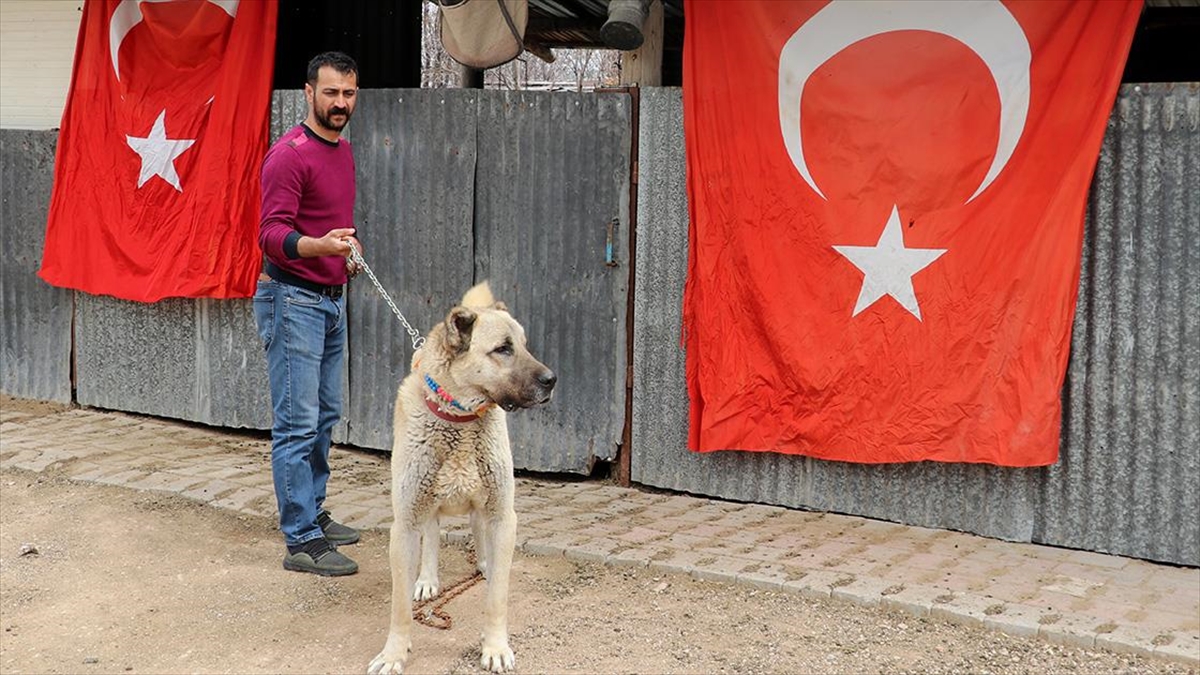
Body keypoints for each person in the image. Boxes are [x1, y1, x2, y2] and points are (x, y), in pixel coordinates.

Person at [253, 51, 365, 576]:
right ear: (308, 92)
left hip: (331, 300)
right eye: (331, 92)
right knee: (296, 425)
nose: (340, 102)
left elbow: (331, 222)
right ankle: (300, 539)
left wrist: (346, 251)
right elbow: (270, 235)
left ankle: (313, 512)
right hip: (292, 299)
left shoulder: (342, 151)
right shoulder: (288, 155)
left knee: (323, 417)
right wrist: (319, 246)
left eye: (348, 93)